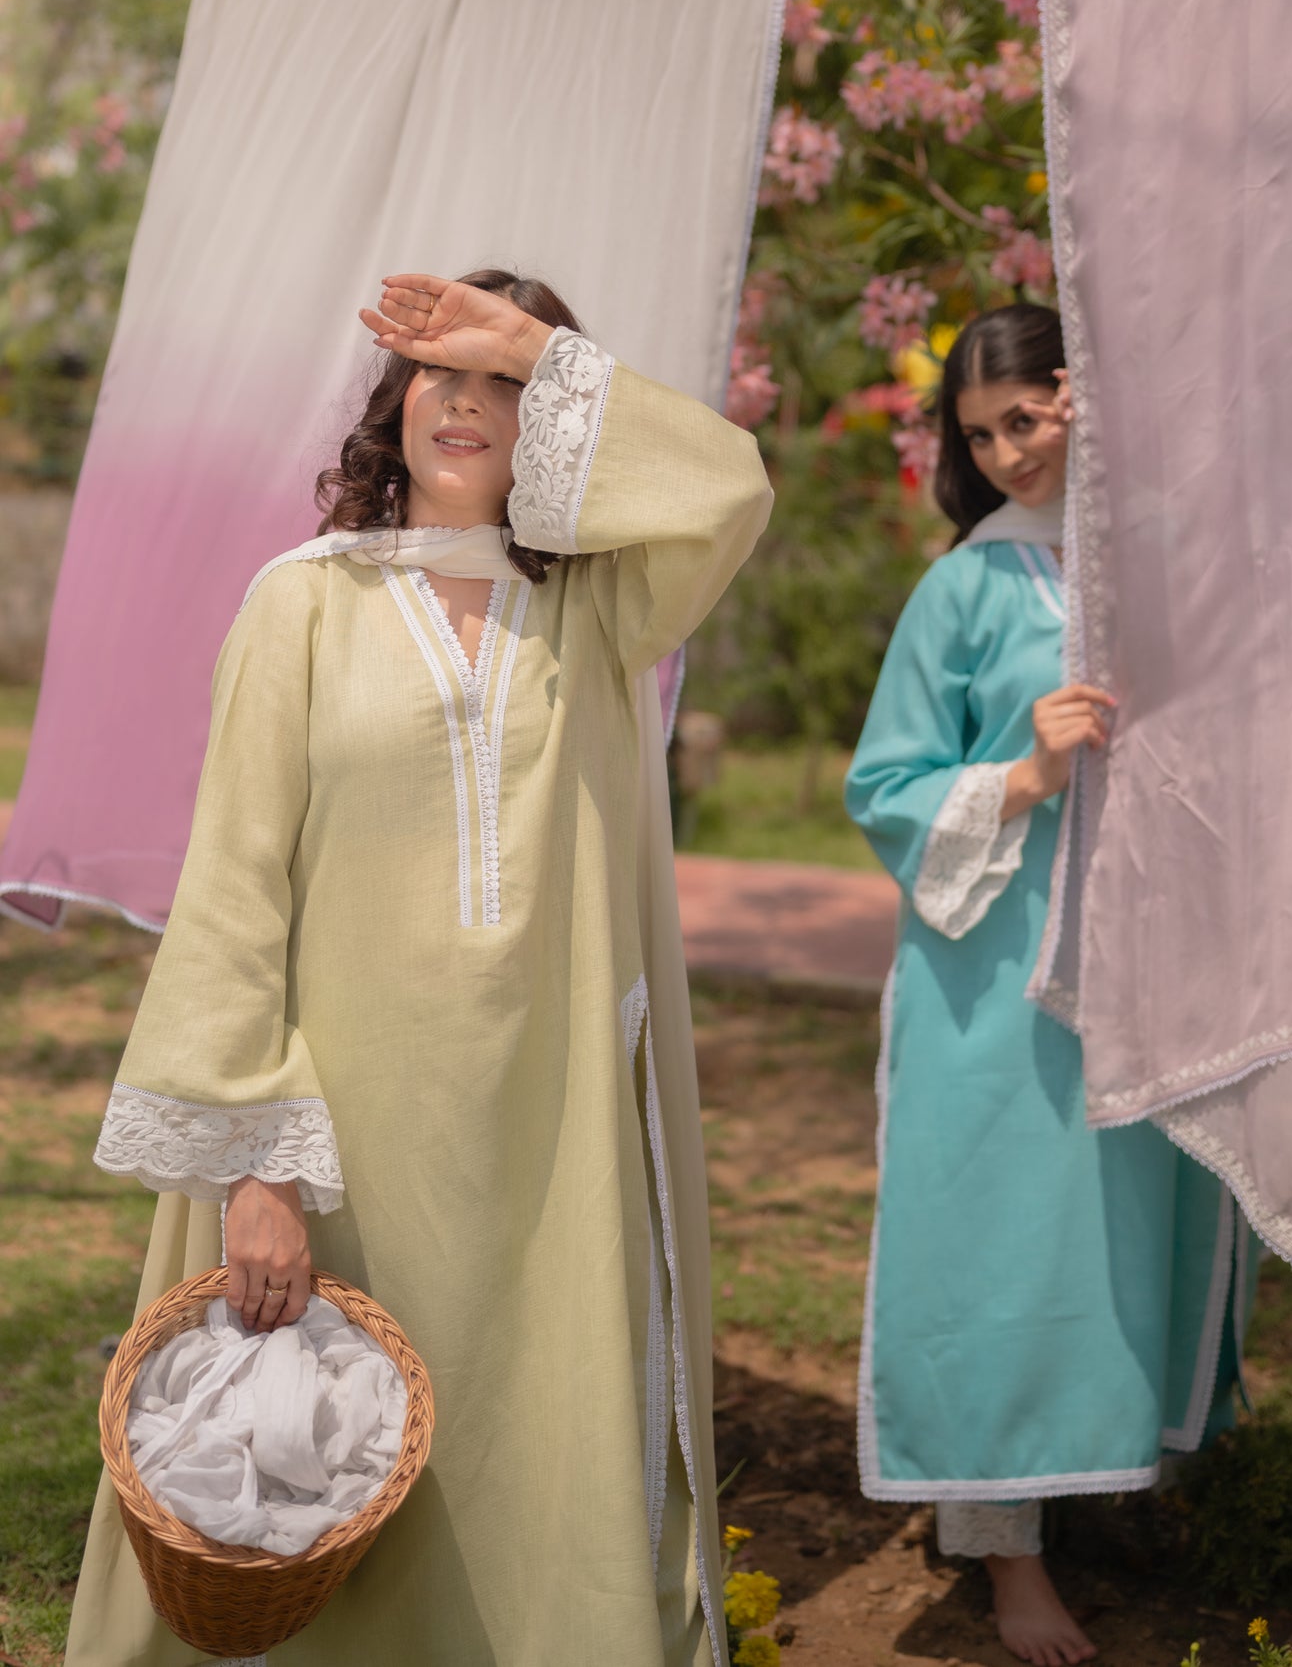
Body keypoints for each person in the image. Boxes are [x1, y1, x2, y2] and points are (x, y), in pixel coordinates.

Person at [68, 268, 772, 1667]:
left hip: (547, 1137)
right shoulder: (304, 607)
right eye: (438, 371)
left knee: (526, 1440)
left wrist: (537, 342)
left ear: (556, 423)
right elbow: (232, 891)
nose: (468, 402)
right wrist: (257, 1168)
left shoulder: (600, 614)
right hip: (341, 1139)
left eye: (505, 383)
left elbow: (726, 488)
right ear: (390, 406)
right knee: (310, 1470)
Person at [845, 303, 1252, 1667]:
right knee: (1002, 1247)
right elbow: (885, 786)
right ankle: (1006, 1561)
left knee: (1138, 1218)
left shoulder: (1171, 566)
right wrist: (1022, 772)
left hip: (1150, 970)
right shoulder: (965, 588)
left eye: (1024, 416)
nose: (1004, 451)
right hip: (996, 982)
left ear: (1082, 395)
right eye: (976, 434)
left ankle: (1123, 1470)